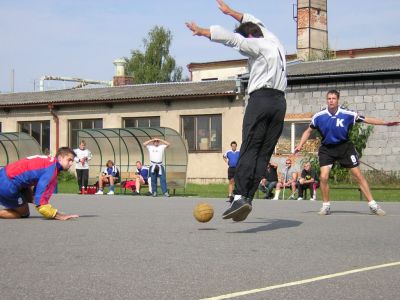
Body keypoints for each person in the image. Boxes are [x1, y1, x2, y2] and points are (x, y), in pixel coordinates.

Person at [186, 0, 287, 222]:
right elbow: (252, 20)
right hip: (280, 103)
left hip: (260, 100)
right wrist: (231, 12)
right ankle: (248, 198)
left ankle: (239, 195)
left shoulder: (258, 44)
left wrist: (203, 31)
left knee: (250, 147)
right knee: (263, 152)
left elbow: (232, 39)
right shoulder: (275, 41)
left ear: (250, 38)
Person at [295, 89, 400, 215]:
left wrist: (386, 123)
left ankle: (373, 205)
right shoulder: (319, 116)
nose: (331, 101)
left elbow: (367, 119)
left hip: (345, 147)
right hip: (327, 149)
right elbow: (308, 131)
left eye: (333, 98)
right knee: (323, 177)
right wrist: (300, 145)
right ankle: (326, 205)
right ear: (326, 100)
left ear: (338, 100)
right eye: (329, 98)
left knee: (358, 175)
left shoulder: (347, 114)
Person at [0, 147, 79, 220]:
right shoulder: (51, 170)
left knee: (34, 196)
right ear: (60, 158)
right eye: (69, 160)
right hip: (7, 184)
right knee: (24, 214)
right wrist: (58, 215)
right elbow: (40, 204)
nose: (71, 163)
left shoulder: (49, 161)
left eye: (72, 161)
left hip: (4, 174)